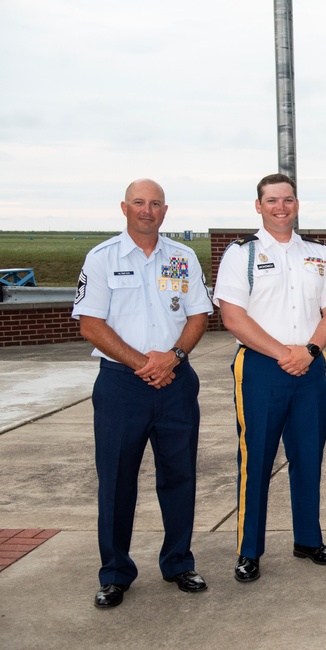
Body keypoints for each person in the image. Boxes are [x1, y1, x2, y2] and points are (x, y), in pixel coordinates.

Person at [73, 179, 213, 608]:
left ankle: (178, 562)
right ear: (124, 208)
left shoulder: (183, 257)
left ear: (165, 211)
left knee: (180, 477)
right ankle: (115, 573)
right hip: (121, 387)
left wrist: (171, 357)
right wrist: (144, 364)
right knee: (116, 480)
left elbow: (198, 316)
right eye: (139, 203)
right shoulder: (101, 259)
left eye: (155, 204)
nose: (147, 210)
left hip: (175, 383)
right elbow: (90, 325)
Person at [213, 173, 326, 583]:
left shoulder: (319, 253)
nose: (280, 207)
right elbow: (233, 316)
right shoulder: (241, 254)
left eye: (287, 199)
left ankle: (308, 539)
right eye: (272, 200)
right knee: (257, 461)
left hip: (309, 367)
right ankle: (249, 550)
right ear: (259, 206)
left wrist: (307, 352)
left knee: (308, 457)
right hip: (260, 369)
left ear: (297, 204)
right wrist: (282, 353)